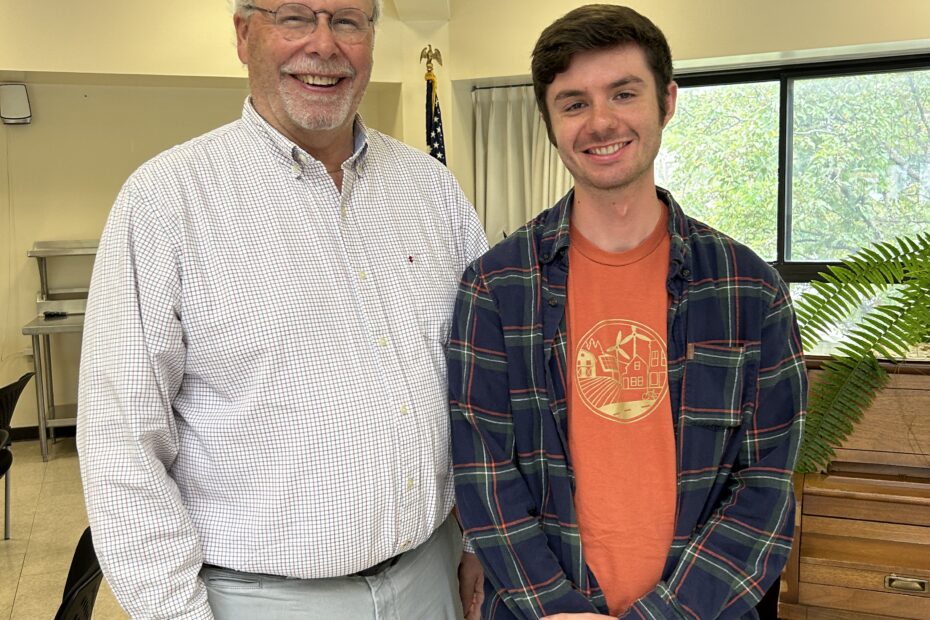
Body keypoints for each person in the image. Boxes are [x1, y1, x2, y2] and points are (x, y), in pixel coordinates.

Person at [77, 1, 488, 618]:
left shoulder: (431, 189)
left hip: (433, 574)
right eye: (295, 17)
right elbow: (122, 447)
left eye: (348, 21)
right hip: (260, 598)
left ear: (372, 38)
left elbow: (482, 382)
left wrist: (482, 536)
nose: (323, 45)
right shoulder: (165, 202)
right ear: (244, 35)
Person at [448, 5, 807, 619]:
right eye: (574, 102)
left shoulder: (749, 290)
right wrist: (559, 610)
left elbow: (764, 490)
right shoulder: (497, 286)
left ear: (666, 101)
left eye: (623, 93)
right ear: (550, 121)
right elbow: (485, 476)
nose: (601, 122)